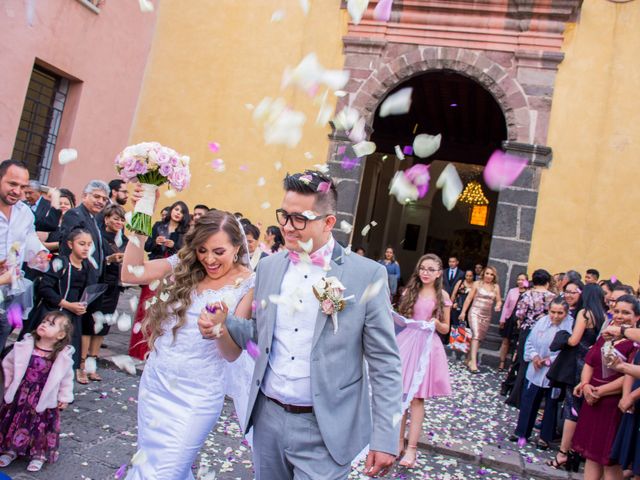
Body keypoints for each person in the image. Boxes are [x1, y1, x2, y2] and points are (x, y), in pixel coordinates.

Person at [199, 170, 402, 480]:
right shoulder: (268, 267)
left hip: (326, 428)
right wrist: (225, 323)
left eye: (299, 219)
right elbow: (261, 336)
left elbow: (385, 362)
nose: (287, 226)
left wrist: (386, 436)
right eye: (284, 215)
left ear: (328, 222)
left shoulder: (366, 276)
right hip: (268, 418)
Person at [122, 209, 255, 480]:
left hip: (199, 394)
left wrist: (219, 329)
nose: (208, 259)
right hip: (158, 381)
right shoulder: (184, 264)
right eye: (202, 250)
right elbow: (131, 273)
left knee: (166, 472)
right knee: (152, 465)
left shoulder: (249, 284)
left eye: (219, 251)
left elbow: (232, 354)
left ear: (237, 247)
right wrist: (140, 221)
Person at [571, 295, 639, 480]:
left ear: (637, 317)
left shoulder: (634, 343)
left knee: (608, 459)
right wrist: (585, 385)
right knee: (591, 455)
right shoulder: (607, 335)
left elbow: (629, 375)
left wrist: (600, 391)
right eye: (616, 311)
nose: (620, 316)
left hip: (613, 404)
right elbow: (590, 361)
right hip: (592, 399)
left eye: (626, 313)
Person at [395, 253, 451, 468]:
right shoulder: (410, 291)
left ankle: (412, 448)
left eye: (430, 269)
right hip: (407, 343)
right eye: (423, 268)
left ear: (438, 273)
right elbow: (403, 318)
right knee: (401, 394)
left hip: (427, 346)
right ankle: (398, 441)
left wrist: (436, 322)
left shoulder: (442, 296)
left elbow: (446, 329)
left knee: (417, 398)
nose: (426, 273)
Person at [0, 311, 73, 472]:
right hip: (21, 394)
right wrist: (6, 385)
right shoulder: (24, 346)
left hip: (44, 398)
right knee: (15, 421)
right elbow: (9, 365)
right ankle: (10, 449)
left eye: (51, 324)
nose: (44, 324)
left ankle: (38, 454)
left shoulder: (62, 356)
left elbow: (66, 378)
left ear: (60, 335)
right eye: (44, 321)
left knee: (39, 427)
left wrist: (65, 396)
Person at [547, 284, 605, 470]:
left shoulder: (585, 313)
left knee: (572, 409)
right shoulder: (602, 315)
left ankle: (564, 452)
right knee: (582, 409)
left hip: (578, 364)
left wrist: (562, 336)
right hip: (593, 365)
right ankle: (577, 451)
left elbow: (574, 340)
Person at [32, 228, 98, 384]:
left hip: (72, 316)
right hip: (54, 312)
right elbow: (45, 288)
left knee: (66, 353)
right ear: (70, 244)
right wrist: (66, 304)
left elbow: (87, 290)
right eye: (81, 244)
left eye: (89, 245)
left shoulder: (88, 266)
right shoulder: (61, 262)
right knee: (46, 349)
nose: (86, 248)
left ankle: (57, 386)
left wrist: (83, 305)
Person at [128, 200, 189, 360]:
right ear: (171, 211)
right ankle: (137, 348)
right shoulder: (157, 226)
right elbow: (147, 246)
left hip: (170, 273)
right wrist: (155, 242)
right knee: (145, 305)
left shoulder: (184, 233)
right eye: (176, 209)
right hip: (154, 266)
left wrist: (173, 245)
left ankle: (151, 347)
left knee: (160, 308)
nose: (177, 213)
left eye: (181, 212)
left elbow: (184, 254)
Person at [0, 160, 50, 350]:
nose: (18, 191)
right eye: (12, 184)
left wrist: (39, 253)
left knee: (4, 330)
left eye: (23, 186)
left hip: (10, 288)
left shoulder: (25, 213)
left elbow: (28, 237)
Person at [510, 297, 572, 448]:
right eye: (553, 312)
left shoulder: (570, 325)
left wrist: (549, 360)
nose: (555, 316)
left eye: (560, 313)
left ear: (566, 313)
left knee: (551, 403)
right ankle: (522, 431)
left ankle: (545, 436)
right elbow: (530, 341)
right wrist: (534, 356)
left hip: (555, 369)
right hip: (536, 367)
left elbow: (568, 349)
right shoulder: (542, 321)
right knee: (529, 399)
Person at [81, 204, 128, 382]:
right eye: (115, 218)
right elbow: (91, 259)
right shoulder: (97, 236)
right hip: (98, 284)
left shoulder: (125, 241)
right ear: (106, 218)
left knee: (104, 325)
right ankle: (82, 364)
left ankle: (93, 363)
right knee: (90, 324)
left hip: (114, 286)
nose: (119, 222)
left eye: (122, 219)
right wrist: (109, 259)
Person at [504, 269, 555, 407]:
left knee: (524, 362)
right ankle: (533, 398)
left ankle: (517, 397)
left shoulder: (527, 295)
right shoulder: (552, 297)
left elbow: (519, 314)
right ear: (547, 282)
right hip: (546, 332)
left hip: (528, 330)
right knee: (540, 362)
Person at [58, 180, 110, 275]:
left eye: (104, 199)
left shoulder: (93, 218)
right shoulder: (75, 215)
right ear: (85, 196)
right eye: (96, 197)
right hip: (77, 277)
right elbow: (69, 248)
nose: (100, 202)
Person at [459, 266, 502, 373]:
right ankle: (474, 362)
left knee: (480, 338)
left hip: (486, 315)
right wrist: (463, 312)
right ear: (484, 274)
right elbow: (469, 298)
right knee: (476, 335)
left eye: (492, 274)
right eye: (487, 273)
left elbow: (499, 300)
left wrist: (498, 305)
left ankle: (468, 359)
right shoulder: (477, 284)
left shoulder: (495, 287)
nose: (489, 276)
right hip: (475, 312)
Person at [498, 273, 529, 371]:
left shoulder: (529, 293)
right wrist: (502, 319)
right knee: (505, 340)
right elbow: (506, 306)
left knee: (517, 343)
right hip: (510, 318)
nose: (520, 281)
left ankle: (512, 364)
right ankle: (501, 362)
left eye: (522, 279)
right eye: (519, 279)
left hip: (520, 320)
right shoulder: (512, 291)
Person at [42, 189, 76, 253]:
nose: (63, 206)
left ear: (72, 206)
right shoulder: (49, 222)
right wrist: (60, 244)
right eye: (60, 204)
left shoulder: (76, 223)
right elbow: (40, 244)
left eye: (66, 204)